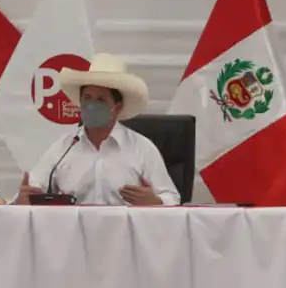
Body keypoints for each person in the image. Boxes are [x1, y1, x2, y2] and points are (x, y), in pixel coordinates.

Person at [15, 53, 180, 206]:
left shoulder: (142, 148)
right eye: (87, 98)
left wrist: (155, 202)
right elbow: (32, 190)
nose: (92, 105)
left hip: (124, 228)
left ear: (117, 107)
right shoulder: (64, 147)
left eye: (101, 99)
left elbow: (172, 198)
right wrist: (24, 199)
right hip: (72, 228)